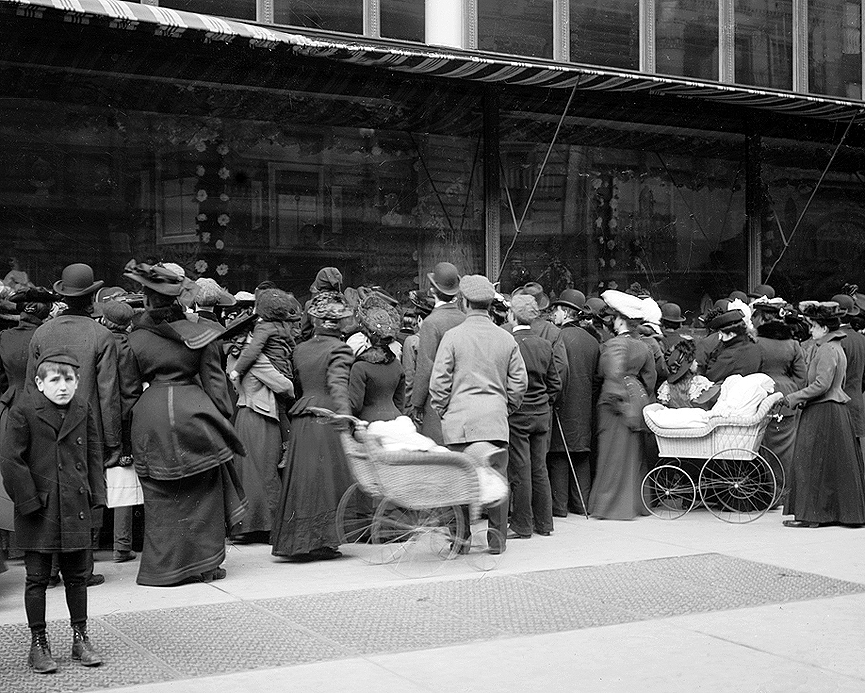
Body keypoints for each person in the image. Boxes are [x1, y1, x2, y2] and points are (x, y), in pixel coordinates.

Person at [122, 261, 247, 585]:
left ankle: (162, 569)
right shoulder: (202, 334)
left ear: (146, 300)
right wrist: (223, 421)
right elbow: (217, 388)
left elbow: (128, 393)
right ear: (179, 300)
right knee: (203, 494)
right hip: (195, 416)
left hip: (150, 421)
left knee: (160, 499)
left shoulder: (134, 340)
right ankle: (205, 566)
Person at [1, 349, 105, 673]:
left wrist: (96, 496)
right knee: (36, 579)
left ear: (77, 382)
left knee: (77, 576)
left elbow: (93, 454)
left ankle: (80, 637)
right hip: (39, 508)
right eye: (55, 380)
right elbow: (11, 460)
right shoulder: (24, 411)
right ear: (39, 382)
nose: (63, 386)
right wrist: (29, 501)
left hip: (75, 504)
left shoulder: (82, 408)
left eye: (70, 379)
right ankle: (38, 644)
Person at [27, 263, 121, 588]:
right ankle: (81, 570)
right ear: (93, 296)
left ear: (63, 296)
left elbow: (31, 386)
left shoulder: (42, 332)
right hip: (85, 426)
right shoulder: (102, 334)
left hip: (43, 424)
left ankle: (49, 570)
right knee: (81, 494)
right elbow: (108, 395)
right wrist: (114, 443)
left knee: (49, 490)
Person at [429, 274, 528, 553]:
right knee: (496, 481)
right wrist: (505, 407)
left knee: (459, 480)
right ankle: (496, 542)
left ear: (464, 302)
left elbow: (439, 383)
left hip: (459, 423)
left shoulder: (453, 337)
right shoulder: (506, 338)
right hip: (494, 423)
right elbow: (519, 383)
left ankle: (460, 542)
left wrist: (444, 410)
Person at [271, 291, 354, 561]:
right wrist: (345, 417)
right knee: (324, 481)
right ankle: (322, 541)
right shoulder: (340, 349)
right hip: (327, 416)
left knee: (304, 479)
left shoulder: (301, 348)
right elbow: (339, 386)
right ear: (338, 323)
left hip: (304, 417)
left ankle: (299, 541)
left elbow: (295, 384)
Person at [783, 301, 865, 528]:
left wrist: (793, 397)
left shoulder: (828, 349)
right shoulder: (833, 346)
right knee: (830, 464)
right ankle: (826, 515)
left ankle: (813, 516)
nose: (810, 330)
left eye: (814, 326)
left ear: (825, 328)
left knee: (811, 463)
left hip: (823, 410)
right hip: (832, 410)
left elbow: (821, 384)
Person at [588, 290, 656, 520]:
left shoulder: (615, 344)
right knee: (632, 455)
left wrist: (618, 401)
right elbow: (650, 378)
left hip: (616, 404)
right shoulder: (643, 345)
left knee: (612, 453)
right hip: (636, 399)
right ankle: (634, 504)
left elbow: (612, 375)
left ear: (619, 319)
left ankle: (611, 506)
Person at [227, 320, 295, 544]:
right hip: (262, 417)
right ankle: (270, 526)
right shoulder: (257, 359)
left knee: (247, 473)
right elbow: (285, 386)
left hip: (243, 416)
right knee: (267, 472)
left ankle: (245, 527)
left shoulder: (233, 359)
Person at [507, 294, 561, 538]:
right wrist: (545, 402)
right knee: (539, 468)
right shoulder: (544, 344)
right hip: (541, 413)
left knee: (521, 469)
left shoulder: (508, 342)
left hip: (518, 413)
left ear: (512, 315)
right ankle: (544, 523)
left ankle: (522, 524)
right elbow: (555, 383)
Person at [547, 289, 599, 516]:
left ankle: (560, 508)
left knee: (559, 454)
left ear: (564, 312)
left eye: (555, 310)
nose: (552, 314)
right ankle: (581, 504)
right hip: (584, 406)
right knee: (581, 453)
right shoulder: (592, 341)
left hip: (562, 403)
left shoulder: (557, 337)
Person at [98, 299, 140, 563]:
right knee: (122, 478)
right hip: (123, 417)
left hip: (95, 416)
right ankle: (121, 545)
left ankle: (92, 541)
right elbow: (130, 388)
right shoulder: (129, 346)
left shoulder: (96, 342)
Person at [752, 299, 807, 492]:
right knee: (787, 447)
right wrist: (794, 394)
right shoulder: (793, 344)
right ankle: (786, 491)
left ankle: (768, 490)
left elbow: (751, 370)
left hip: (761, 396)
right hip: (787, 397)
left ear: (762, 318)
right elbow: (801, 375)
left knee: (761, 445)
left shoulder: (756, 342)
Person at [410, 262, 465, 443]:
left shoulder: (431, 323)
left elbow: (426, 366)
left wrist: (417, 403)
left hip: (437, 402)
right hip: (463, 398)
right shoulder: (465, 319)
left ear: (433, 291)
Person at [349, 304, 405, 422]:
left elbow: (355, 405)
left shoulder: (359, 367)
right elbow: (399, 401)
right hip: (396, 420)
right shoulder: (396, 365)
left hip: (369, 422)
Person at [229, 288, 296, 383]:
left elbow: (253, 350)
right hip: (286, 368)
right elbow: (292, 345)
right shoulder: (283, 324)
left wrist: (237, 370)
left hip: (273, 367)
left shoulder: (263, 327)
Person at [832, 294, 865, 456]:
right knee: (855, 455)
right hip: (856, 399)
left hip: (839, 403)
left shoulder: (837, 339)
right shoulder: (861, 339)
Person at [702, 309, 761, 382]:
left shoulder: (729, 355)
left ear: (731, 334)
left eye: (722, 335)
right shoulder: (753, 345)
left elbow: (711, 375)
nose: (720, 338)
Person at [657, 337, 715, 408]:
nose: (697, 363)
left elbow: (664, 404)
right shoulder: (698, 382)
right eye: (694, 361)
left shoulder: (666, 386)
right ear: (689, 366)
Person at [401, 290, 432, 412]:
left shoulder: (412, 342)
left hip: (417, 404)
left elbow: (409, 377)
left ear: (419, 319)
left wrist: (407, 407)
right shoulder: (443, 337)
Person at [300, 267, 343, 342]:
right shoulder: (344, 301)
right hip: (340, 345)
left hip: (317, 345)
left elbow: (304, 331)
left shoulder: (310, 304)